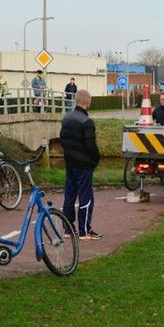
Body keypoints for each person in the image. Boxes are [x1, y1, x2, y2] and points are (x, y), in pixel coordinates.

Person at [61, 89, 101, 240]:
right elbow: (91, 145)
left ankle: (68, 229)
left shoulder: (66, 118)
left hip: (70, 164)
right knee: (86, 197)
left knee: (69, 196)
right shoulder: (87, 122)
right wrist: (95, 159)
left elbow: (63, 141)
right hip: (84, 166)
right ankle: (84, 231)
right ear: (87, 102)